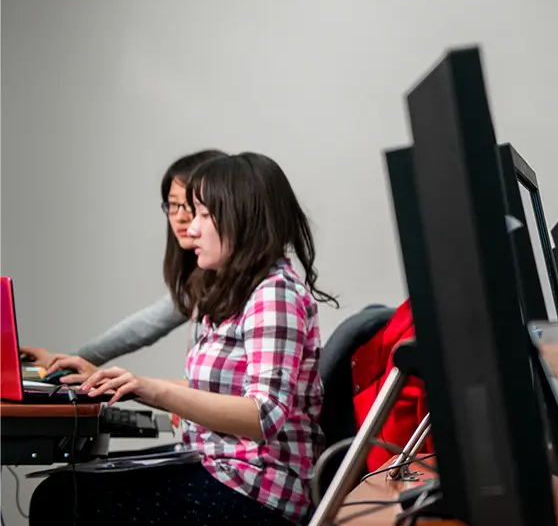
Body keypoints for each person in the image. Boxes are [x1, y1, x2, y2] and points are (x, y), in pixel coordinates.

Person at [29, 152, 337, 525]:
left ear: (242, 218)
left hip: (258, 490)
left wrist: (153, 389)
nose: (189, 228)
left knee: (63, 499)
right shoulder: (239, 291)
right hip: (221, 469)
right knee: (65, 491)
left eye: (203, 215)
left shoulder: (274, 294)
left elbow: (263, 413)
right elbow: (223, 390)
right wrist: (119, 380)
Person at [19, 149, 226, 380]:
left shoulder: (258, 287)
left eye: (192, 207)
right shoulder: (199, 279)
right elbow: (143, 326)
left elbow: (240, 400)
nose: (180, 217)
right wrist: (66, 361)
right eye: (172, 205)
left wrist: (128, 384)